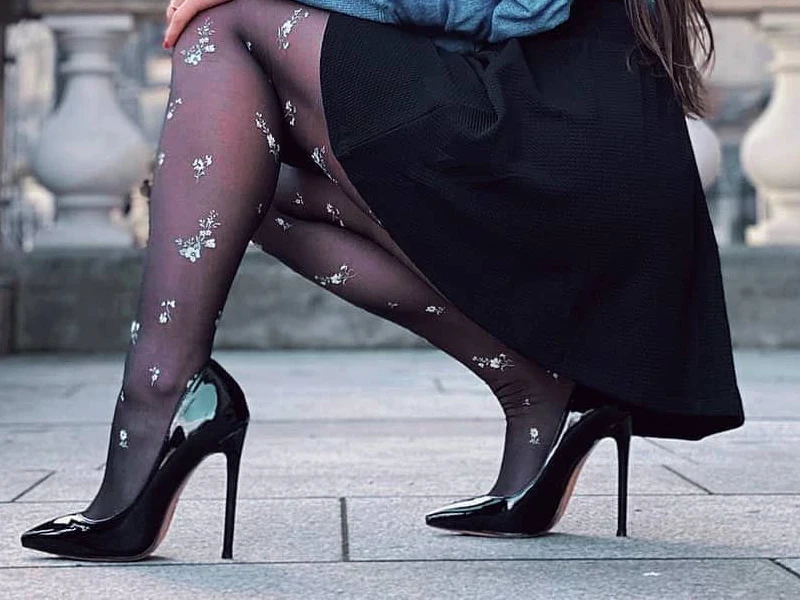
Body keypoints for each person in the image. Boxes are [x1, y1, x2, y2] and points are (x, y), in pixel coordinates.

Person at [20, 0, 744, 560]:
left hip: (568, 129)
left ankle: (161, 393)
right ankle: (531, 382)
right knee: (232, 185)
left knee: (224, 26)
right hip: (543, 107)